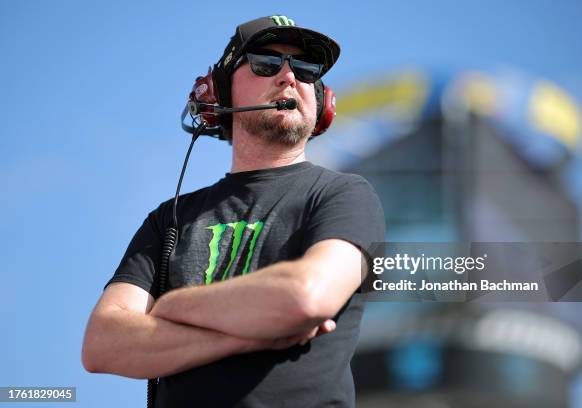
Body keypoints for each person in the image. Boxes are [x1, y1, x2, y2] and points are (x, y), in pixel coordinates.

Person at [82, 15, 385, 408]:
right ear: (220, 93)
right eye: (266, 62)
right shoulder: (169, 218)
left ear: (322, 100)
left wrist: (172, 306)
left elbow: (306, 296)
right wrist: (247, 335)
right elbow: (103, 344)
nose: (290, 76)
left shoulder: (344, 194)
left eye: (307, 69)